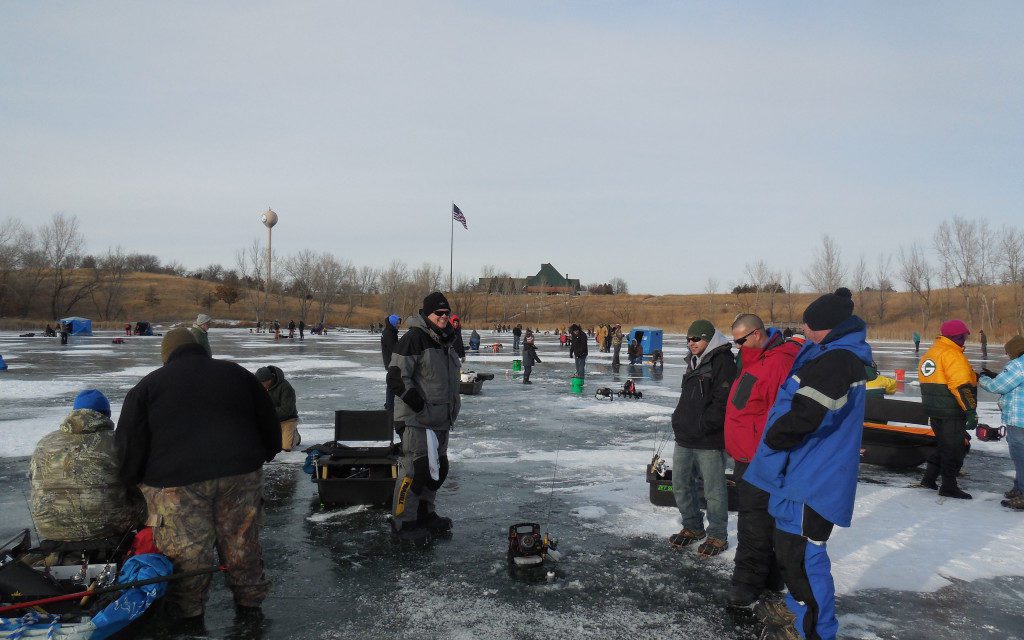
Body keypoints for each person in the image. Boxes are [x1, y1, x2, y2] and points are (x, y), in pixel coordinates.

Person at [116, 328, 281, 624]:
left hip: (178, 483)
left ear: (166, 355)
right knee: (241, 540)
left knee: (188, 551)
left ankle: (189, 616)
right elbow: (268, 419)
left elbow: (129, 442)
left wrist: (131, 480)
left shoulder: (148, 386)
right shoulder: (237, 374)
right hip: (240, 474)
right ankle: (250, 606)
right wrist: (265, 453)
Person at [745, 288, 872, 640]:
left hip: (814, 479)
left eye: (809, 322)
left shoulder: (836, 361)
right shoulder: (831, 353)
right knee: (794, 555)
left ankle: (816, 631)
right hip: (803, 474)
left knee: (802, 559)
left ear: (827, 327)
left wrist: (772, 439)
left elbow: (806, 416)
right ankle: (804, 616)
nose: (804, 327)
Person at [723, 315, 801, 607]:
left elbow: (785, 413)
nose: (737, 346)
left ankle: (746, 583)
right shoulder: (755, 358)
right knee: (760, 519)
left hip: (761, 458)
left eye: (741, 340)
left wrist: (770, 452)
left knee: (753, 523)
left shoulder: (779, 362)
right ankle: (770, 576)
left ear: (757, 334)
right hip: (747, 455)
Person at [387, 292, 461, 544]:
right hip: (416, 420)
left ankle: (424, 513)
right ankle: (403, 522)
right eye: (438, 314)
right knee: (414, 471)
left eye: (445, 313)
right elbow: (397, 377)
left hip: (440, 419)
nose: (443, 317)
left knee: (436, 471)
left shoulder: (445, 341)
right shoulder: (414, 338)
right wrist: (419, 406)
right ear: (426, 314)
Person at [30, 389, 138, 541]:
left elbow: (33, 480)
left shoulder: (45, 442)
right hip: (109, 526)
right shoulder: (118, 441)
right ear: (106, 415)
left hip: (49, 527)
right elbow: (136, 479)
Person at [668, 319, 736, 557]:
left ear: (708, 339)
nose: (691, 343)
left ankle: (717, 535)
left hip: (708, 438)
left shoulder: (723, 361)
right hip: (685, 436)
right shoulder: (693, 361)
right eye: (688, 339)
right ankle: (693, 527)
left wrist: (704, 425)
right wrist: (680, 420)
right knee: (680, 484)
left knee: (714, 489)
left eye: (696, 338)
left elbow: (723, 401)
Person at [918, 319, 977, 499]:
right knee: (954, 449)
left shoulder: (932, 352)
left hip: (934, 410)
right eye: (964, 336)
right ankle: (949, 486)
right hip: (951, 410)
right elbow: (960, 386)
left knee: (944, 445)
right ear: (958, 337)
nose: (965, 340)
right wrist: (970, 410)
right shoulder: (953, 355)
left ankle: (929, 479)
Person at [979, 335, 1024, 510]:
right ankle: (1018, 487)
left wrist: (981, 379)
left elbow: (997, 387)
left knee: (1020, 456)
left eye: (1008, 353)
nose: (1008, 357)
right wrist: (997, 376)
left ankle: (1022, 492)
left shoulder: (1019, 364)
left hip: (1019, 419)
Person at [256, 366, 301, 452]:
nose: (260, 386)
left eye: (262, 383)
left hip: (288, 419)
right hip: (270, 420)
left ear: (269, 380)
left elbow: (287, 410)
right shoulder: (261, 388)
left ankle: (296, 437)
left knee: (286, 447)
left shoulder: (286, 387)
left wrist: (267, 413)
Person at [381, 315, 401, 411]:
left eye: (399, 323)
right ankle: (389, 406)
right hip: (392, 363)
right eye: (397, 323)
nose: (399, 325)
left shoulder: (390, 332)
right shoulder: (389, 334)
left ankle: (389, 404)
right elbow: (394, 349)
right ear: (392, 323)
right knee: (392, 384)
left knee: (392, 383)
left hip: (391, 362)